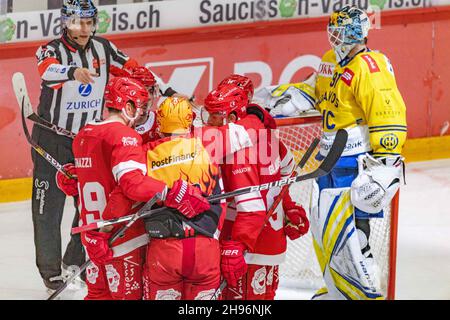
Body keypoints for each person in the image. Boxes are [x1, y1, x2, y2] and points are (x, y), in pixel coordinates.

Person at [284, 6, 406, 300]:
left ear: (356, 32)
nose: (333, 36)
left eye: (340, 30)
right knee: (323, 226)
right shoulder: (329, 61)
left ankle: (362, 295)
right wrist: (291, 97)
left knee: (351, 232)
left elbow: (387, 111)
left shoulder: (370, 66)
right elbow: (317, 91)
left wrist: (386, 163)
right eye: (332, 29)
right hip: (326, 160)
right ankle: (337, 290)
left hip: (354, 161)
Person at [31, 0, 148, 292]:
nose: (83, 29)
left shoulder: (104, 49)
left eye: (88, 22)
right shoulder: (50, 50)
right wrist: (74, 72)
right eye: (77, 22)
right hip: (52, 139)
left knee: (90, 205)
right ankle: (50, 273)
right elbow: (47, 71)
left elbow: (137, 70)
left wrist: (166, 89)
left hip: (87, 142)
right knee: (47, 209)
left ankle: (75, 258)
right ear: (66, 22)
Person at [65, 77, 211, 300]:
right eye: (140, 106)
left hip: (92, 238)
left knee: (97, 297)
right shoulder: (124, 135)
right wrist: (171, 192)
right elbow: (131, 184)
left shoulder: (84, 134)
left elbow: (85, 181)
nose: (142, 114)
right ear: (128, 105)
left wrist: (67, 178)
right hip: (122, 237)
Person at [203, 82, 309, 300]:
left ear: (232, 117)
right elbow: (286, 173)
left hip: (247, 246)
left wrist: (237, 244)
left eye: (215, 115)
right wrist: (288, 207)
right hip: (270, 242)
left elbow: (251, 207)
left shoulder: (238, 150)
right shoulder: (269, 136)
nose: (209, 121)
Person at [140, 96, 226, 300]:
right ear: (190, 120)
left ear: (160, 123)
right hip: (205, 248)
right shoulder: (207, 147)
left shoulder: (145, 153)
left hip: (164, 249)